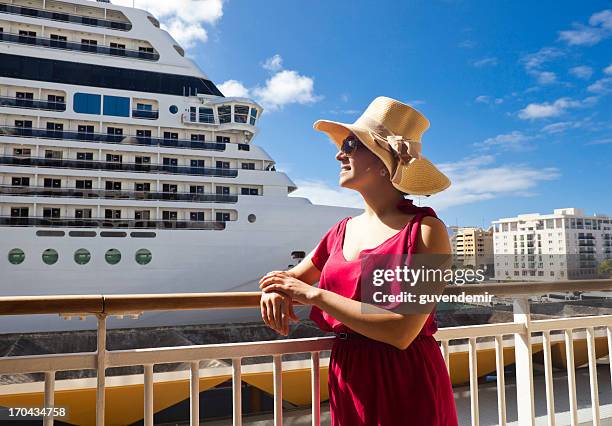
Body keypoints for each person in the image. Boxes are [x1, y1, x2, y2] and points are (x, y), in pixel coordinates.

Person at [259, 96, 458, 425]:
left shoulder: (427, 232)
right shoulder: (341, 231)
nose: (340, 153)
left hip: (405, 380)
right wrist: (273, 289)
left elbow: (403, 330)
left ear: (384, 161)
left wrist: (313, 295)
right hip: (349, 375)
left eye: (351, 144)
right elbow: (292, 277)